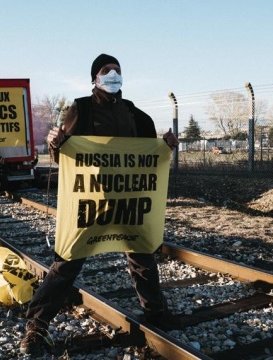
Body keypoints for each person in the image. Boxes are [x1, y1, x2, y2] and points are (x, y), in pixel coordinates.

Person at [19, 54, 180, 356]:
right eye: (106, 71)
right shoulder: (81, 109)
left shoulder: (136, 115)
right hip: (91, 203)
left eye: (117, 70)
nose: (113, 75)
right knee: (68, 261)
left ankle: (157, 315)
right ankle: (36, 327)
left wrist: (168, 145)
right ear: (95, 78)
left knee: (142, 256)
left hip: (129, 202)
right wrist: (55, 142)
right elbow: (62, 157)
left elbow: (152, 154)